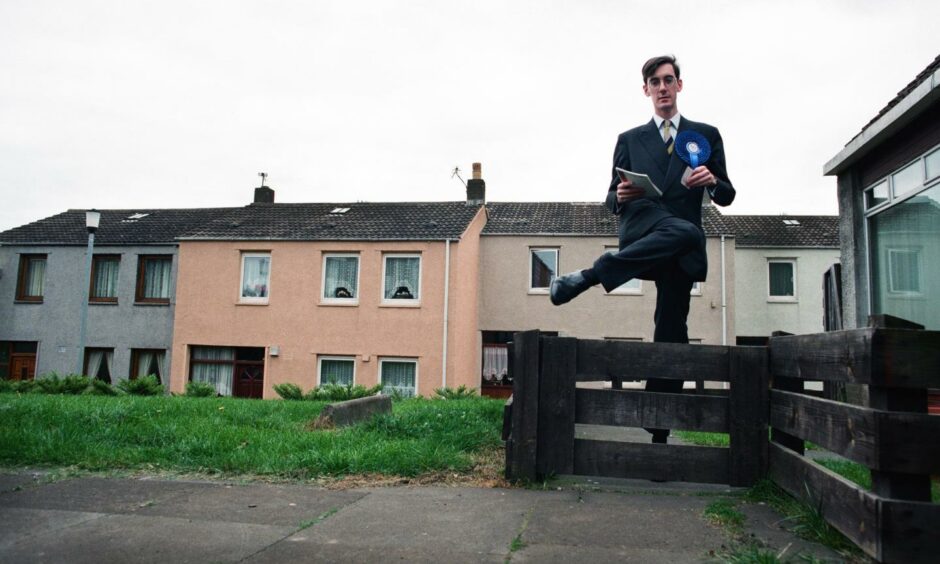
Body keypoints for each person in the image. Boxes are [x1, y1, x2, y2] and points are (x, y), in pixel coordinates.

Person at [550, 55, 735, 444]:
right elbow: (610, 199)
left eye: (669, 80)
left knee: (672, 329)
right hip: (644, 227)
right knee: (689, 232)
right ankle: (596, 272)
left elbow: (727, 194)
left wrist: (712, 180)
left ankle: (659, 428)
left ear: (679, 86)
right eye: (655, 81)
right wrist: (619, 194)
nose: (663, 87)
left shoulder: (706, 134)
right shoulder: (629, 139)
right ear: (646, 90)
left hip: (678, 249)